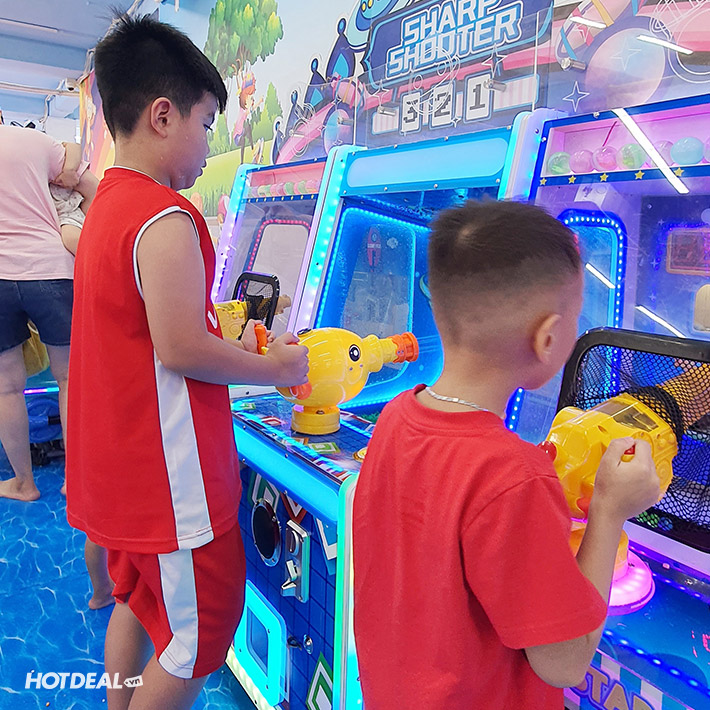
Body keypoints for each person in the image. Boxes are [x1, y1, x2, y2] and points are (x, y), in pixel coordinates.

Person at [65, 14, 308, 710]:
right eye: (205, 124)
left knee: (137, 604)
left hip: (118, 473)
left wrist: (235, 350)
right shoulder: (164, 216)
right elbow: (181, 348)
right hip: (168, 489)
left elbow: (147, 337)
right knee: (198, 639)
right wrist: (281, 370)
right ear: (163, 115)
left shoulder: (106, 208)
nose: (207, 145)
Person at [352, 200, 661, 709]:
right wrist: (610, 510)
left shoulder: (395, 418)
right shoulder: (515, 477)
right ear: (548, 338)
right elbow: (563, 662)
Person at [0, 125, 84, 502]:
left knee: (6, 387)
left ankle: (23, 483)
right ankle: (74, 481)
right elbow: (75, 166)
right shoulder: (33, 140)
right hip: (51, 267)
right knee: (68, 379)